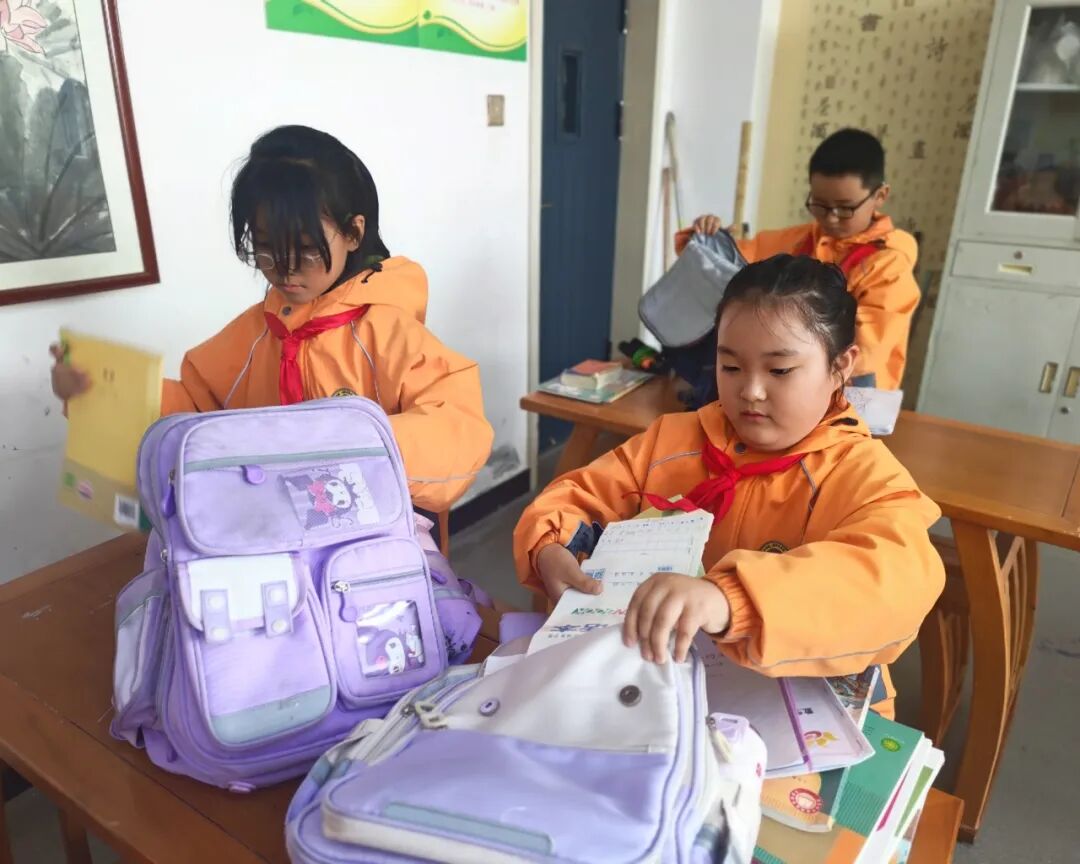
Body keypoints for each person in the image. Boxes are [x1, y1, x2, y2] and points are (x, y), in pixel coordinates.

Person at [513, 254, 943, 717]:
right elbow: (583, 495)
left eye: (779, 370)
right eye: (731, 367)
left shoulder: (863, 474)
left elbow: (895, 582)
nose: (750, 391)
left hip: (807, 711)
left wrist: (730, 599)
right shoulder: (673, 441)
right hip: (672, 687)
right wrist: (551, 544)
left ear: (841, 366)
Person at [50, 124, 492, 514]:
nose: (284, 270)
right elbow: (194, 414)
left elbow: (459, 429)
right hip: (271, 536)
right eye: (264, 248)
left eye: (305, 249)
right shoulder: (256, 334)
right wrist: (100, 391)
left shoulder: (389, 332)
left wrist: (342, 442)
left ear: (354, 233)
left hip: (371, 545)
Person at [681, 128, 919, 390]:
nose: (830, 218)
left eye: (845, 208)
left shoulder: (889, 265)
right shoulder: (797, 241)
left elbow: (867, 347)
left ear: (880, 196)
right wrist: (708, 238)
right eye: (820, 204)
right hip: (785, 383)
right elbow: (727, 266)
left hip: (851, 391)